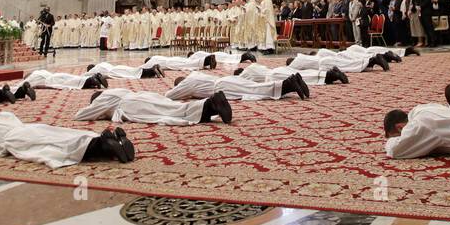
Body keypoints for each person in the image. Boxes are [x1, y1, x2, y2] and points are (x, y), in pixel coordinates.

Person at [0, 111, 136, 167]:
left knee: (56, 148)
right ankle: (108, 140)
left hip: (19, 139)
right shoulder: (2, 115)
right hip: (30, 127)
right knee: (62, 134)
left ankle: (103, 144)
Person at [74, 87, 233, 126]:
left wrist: (97, 109)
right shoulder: (116, 90)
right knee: (173, 108)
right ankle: (212, 107)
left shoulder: (103, 98)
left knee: (174, 113)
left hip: (133, 105)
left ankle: (210, 103)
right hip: (142, 96)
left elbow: (80, 115)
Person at [166, 69, 311, 102]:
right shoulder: (195, 74)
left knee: (256, 91)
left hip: (223, 88)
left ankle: (289, 84)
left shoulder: (187, 83)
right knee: (255, 88)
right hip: (227, 80)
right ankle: (292, 81)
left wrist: (179, 90)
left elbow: (170, 95)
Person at [25, 69, 109, 90]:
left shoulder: (31, 78)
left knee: (71, 83)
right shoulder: (40, 71)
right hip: (57, 75)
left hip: (52, 80)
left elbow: (39, 85)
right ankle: (94, 77)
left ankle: (91, 80)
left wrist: (37, 87)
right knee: (74, 78)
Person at [85, 60, 166, 80]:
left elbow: (86, 75)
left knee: (134, 74)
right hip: (118, 67)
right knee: (134, 71)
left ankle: (153, 70)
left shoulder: (95, 69)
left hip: (115, 71)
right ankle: (154, 69)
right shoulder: (102, 63)